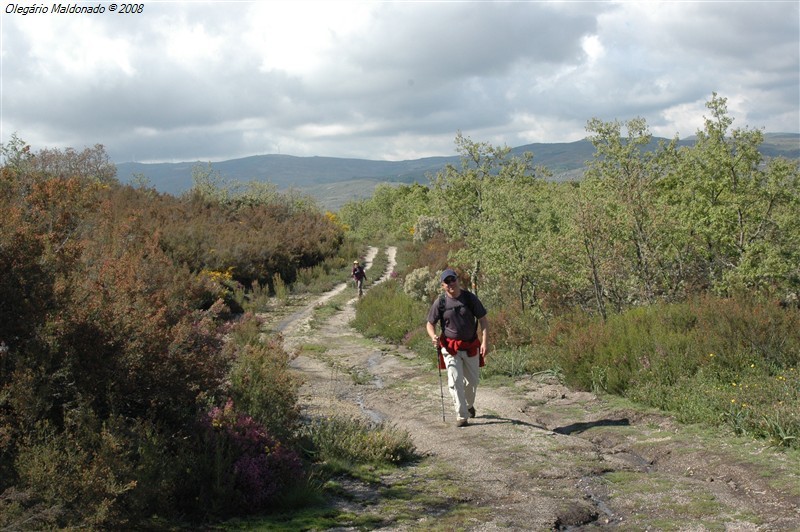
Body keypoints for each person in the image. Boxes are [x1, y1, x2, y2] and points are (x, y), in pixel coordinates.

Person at [426, 268, 489, 427]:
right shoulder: (440, 302)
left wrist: (485, 342)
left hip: (470, 346)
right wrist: (433, 336)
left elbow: (483, 320)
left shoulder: (469, 298)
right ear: (442, 285)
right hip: (449, 347)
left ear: (457, 280)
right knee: (454, 380)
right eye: (446, 282)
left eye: (452, 279)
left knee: (472, 382)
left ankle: (468, 406)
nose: (450, 283)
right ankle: (462, 416)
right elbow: (430, 324)